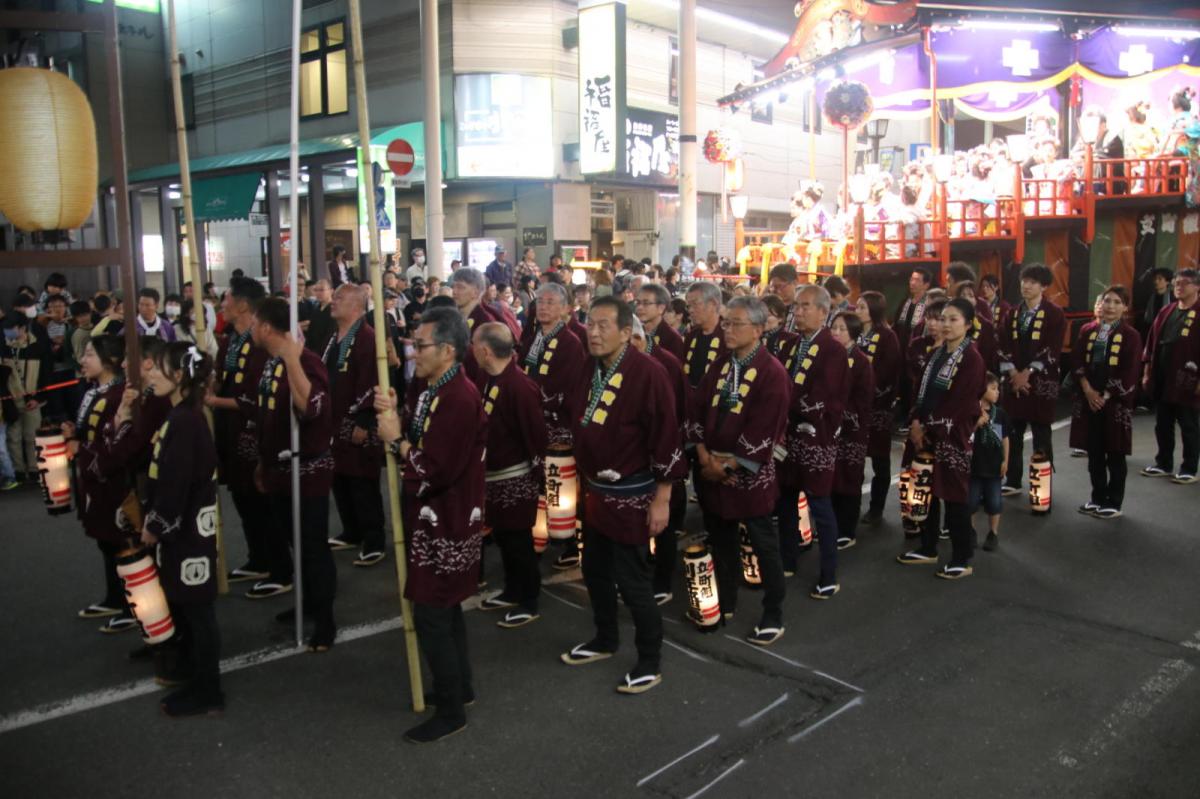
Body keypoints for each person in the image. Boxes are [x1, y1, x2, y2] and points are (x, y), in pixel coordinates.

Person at [560, 296, 685, 694]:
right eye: (589, 324)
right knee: (594, 570)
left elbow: (666, 436)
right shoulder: (589, 367)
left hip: (633, 492)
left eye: (602, 325)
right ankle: (605, 637)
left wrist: (662, 498)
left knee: (633, 581)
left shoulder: (648, 372)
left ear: (625, 331)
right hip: (595, 491)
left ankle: (650, 659)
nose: (592, 333)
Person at [375, 306, 486, 743]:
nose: (412, 352)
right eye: (412, 344)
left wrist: (397, 441)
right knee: (445, 608)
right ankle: (459, 687)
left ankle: (451, 709)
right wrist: (394, 417)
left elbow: (435, 467)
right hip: (433, 516)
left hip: (449, 517)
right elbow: (419, 439)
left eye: (419, 346)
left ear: (447, 349)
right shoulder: (429, 388)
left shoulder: (460, 397)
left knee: (434, 612)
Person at [687, 297, 789, 642]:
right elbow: (698, 409)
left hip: (748, 473)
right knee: (721, 540)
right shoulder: (721, 364)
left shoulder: (772, 372)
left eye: (736, 324)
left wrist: (727, 465)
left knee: (763, 543)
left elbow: (765, 429)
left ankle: (773, 611)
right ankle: (726, 599)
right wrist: (703, 455)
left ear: (759, 330)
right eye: (726, 322)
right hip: (712, 467)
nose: (727, 329)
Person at [138, 341, 223, 717]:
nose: (148, 373)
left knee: (198, 611)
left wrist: (154, 527)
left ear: (177, 375)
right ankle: (194, 675)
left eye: (156, 367)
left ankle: (209, 689)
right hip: (185, 530)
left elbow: (174, 485)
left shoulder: (185, 422)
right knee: (188, 607)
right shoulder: (182, 416)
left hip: (187, 533)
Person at [252, 297, 337, 651]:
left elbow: (311, 406)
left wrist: (292, 359)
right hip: (278, 473)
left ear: (268, 327)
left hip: (308, 473)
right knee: (294, 544)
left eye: (256, 323)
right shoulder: (271, 364)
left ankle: (325, 620)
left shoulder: (306, 361)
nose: (252, 329)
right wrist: (262, 461)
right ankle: (307, 602)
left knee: (312, 546)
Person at [897, 299, 986, 579]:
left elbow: (960, 402)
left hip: (950, 435)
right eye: (942, 319)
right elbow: (919, 393)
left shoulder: (971, 357)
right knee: (927, 491)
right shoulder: (937, 354)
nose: (945, 325)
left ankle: (962, 557)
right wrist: (914, 421)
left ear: (968, 325)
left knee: (954, 495)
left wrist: (928, 428)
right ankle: (928, 546)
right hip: (925, 432)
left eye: (953, 320)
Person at [473, 322, 548, 628]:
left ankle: (528, 599)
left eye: (474, 345)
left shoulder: (519, 385)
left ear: (485, 350)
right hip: (494, 476)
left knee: (518, 541)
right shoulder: (492, 378)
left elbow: (535, 435)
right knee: (505, 538)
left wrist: (538, 479)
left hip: (516, 477)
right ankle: (512, 589)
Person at [777, 286, 847, 598]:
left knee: (820, 505)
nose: (798, 312)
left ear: (823, 311)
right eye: (796, 306)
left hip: (815, 437)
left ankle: (829, 574)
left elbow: (823, 398)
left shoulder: (832, 350)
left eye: (805, 306)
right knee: (785, 500)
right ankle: (788, 559)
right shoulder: (791, 343)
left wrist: (786, 406)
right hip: (788, 437)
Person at [63, 335, 134, 631]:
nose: (83, 360)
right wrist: (75, 435)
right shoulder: (96, 390)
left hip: (110, 478)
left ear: (110, 361)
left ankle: (132, 604)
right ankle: (115, 596)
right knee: (106, 540)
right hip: (94, 475)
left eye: (90, 354)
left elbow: (114, 441)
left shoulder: (117, 395)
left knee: (120, 540)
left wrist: (81, 446)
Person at [205, 277, 273, 586]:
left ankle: (274, 562)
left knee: (257, 499)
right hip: (230, 430)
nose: (222, 305)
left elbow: (255, 396)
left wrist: (214, 399)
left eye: (226, 299)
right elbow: (226, 379)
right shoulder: (232, 339)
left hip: (250, 431)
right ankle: (259, 557)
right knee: (243, 498)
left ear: (243, 305)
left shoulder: (258, 340)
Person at [322, 284, 386, 566]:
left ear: (358, 308)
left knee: (362, 481)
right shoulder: (334, 336)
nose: (333, 302)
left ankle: (374, 540)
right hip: (333, 420)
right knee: (340, 479)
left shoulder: (367, 338)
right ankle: (352, 531)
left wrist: (364, 419)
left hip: (357, 420)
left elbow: (372, 380)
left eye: (339, 298)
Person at [630, 316, 687, 604]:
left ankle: (663, 580)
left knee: (662, 525)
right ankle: (638, 576)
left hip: (660, 455)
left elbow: (674, 417)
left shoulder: (664, 364)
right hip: (629, 463)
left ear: (637, 338)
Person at [1071, 286, 1141, 518]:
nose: (1110, 306)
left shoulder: (1131, 335)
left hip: (1114, 403)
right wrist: (1089, 391)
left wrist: (1105, 395)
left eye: (1117, 302)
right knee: (1094, 453)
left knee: (1115, 453)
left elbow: (1130, 371)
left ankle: (1114, 501)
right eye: (1107, 301)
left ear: (1125, 307)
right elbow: (1078, 362)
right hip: (1089, 400)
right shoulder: (1087, 330)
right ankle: (1097, 496)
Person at [998, 263, 1065, 495]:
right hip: (1014, 382)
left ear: (1044, 286)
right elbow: (1003, 345)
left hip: (1040, 384)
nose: (1026, 286)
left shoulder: (1055, 314)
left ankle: (1042, 487)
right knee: (1013, 433)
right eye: (1024, 281)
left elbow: (1052, 350)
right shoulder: (1011, 313)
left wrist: (1027, 373)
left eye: (1033, 282)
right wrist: (1014, 374)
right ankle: (1013, 480)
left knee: (1041, 436)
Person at [1141, 269, 1200, 483]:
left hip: (1188, 378)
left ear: (1197, 287)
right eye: (1176, 282)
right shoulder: (1166, 311)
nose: (1178, 286)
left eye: (1185, 283)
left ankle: (1189, 468)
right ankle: (1163, 463)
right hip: (1163, 376)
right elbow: (1150, 343)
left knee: (1189, 425)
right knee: (1162, 423)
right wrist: (1147, 372)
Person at [829, 310, 874, 551]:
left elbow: (863, 399)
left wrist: (840, 414)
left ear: (853, 333)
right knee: (833, 477)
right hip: (830, 429)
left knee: (849, 478)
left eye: (842, 329)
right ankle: (833, 525)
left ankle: (847, 529)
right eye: (834, 327)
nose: (836, 332)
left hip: (851, 429)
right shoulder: (830, 356)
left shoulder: (860, 360)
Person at [856, 291, 902, 525]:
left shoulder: (887, 336)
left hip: (877, 406)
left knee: (880, 460)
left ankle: (877, 507)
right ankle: (851, 505)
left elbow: (888, 372)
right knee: (853, 458)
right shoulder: (854, 334)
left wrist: (869, 392)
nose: (858, 311)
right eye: (857, 307)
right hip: (853, 407)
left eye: (863, 307)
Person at [2, 313, 51, 482]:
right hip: (11, 400)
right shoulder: (3, 347)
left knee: (32, 436)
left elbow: (46, 375)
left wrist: (38, 397)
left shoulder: (39, 346)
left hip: (33, 399)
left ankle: (35, 468)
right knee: (13, 437)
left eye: (10, 329)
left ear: (23, 328)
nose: (7, 332)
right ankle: (19, 471)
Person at [970, 373, 1009, 551]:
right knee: (970, 502)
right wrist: (976, 424)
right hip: (974, 466)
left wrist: (1005, 461)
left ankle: (993, 533)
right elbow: (964, 435)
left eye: (998, 389)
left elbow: (1005, 439)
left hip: (994, 467)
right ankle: (970, 531)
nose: (997, 392)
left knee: (994, 502)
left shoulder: (999, 413)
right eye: (993, 388)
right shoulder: (971, 412)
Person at [450, 268, 500, 382]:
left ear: (476, 292)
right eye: (454, 286)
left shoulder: (486, 322)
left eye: (461, 287)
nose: (454, 291)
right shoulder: (453, 318)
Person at [636, 283, 685, 361]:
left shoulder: (672, 338)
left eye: (646, 303)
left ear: (661, 308)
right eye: (638, 303)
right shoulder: (634, 333)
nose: (639, 307)